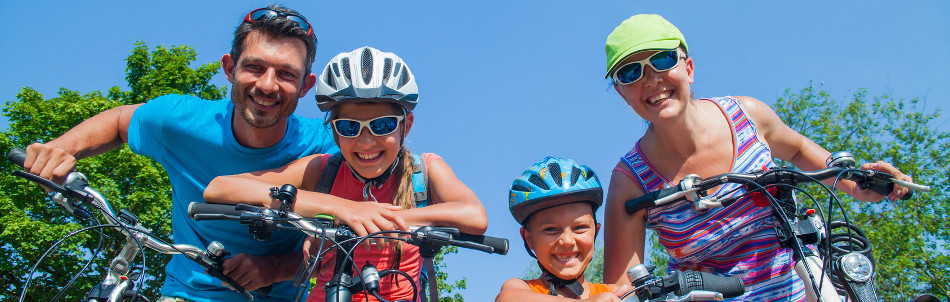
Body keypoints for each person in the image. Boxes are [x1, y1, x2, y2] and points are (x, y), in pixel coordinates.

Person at [21, 5, 338, 301]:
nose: (267, 85)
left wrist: (274, 268)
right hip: (184, 294)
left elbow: (351, 241)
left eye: (286, 74)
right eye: (254, 67)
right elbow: (120, 120)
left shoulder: (328, 146)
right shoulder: (182, 121)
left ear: (306, 86)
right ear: (229, 68)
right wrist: (61, 150)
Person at [600, 14, 913, 301]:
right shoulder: (630, 182)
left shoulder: (747, 116)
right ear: (621, 93)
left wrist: (859, 183)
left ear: (689, 68)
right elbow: (622, 289)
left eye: (662, 59)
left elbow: (800, 151)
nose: (651, 79)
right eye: (630, 72)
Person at [203, 46, 488, 302]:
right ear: (335, 132)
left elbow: (474, 215)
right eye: (350, 127)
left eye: (383, 125)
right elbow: (219, 188)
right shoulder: (324, 169)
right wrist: (340, 208)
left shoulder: (423, 170)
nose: (366, 141)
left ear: (406, 126)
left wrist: (377, 218)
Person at [496, 157, 631, 302]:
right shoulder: (520, 289)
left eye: (580, 228)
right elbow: (507, 299)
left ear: (595, 232)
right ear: (529, 239)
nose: (567, 241)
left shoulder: (615, 293)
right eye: (551, 229)